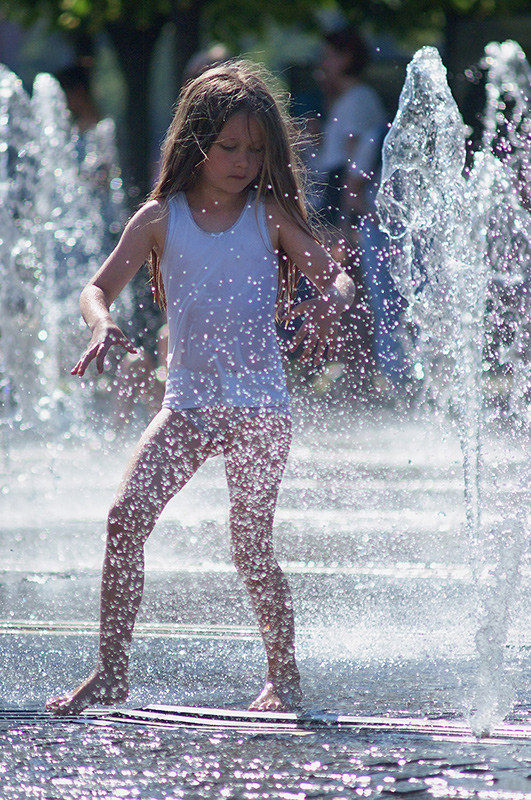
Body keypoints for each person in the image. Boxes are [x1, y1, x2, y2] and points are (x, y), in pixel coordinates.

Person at [45, 61, 356, 716]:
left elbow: (333, 275)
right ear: (196, 144)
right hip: (186, 404)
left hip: (258, 407)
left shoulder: (267, 212)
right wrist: (102, 326)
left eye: (254, 150)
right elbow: (96, 288)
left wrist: (331, 299)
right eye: (228, 148)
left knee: (250, 547)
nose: (242, 162)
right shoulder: (162, 217)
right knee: (123, 521)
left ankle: (283, 677)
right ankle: (111, 671)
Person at [315, 27, 406, 388]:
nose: (322, 65)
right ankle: (356, 371)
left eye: (328, 57)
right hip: (342, 201)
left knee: (357, 290)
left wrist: (349, 215)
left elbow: (355, 157)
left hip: (348, 204)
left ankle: (363, 372)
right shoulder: (346, 99)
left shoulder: (358, 98)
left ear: (346, 58)